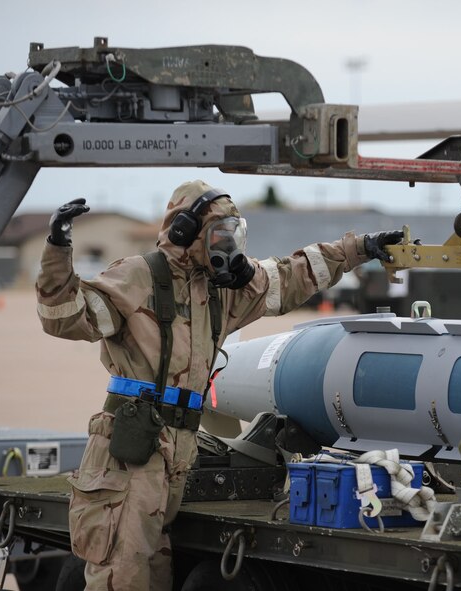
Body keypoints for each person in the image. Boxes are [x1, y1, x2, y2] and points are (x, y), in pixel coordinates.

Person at [35, 179, 403, 590]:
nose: (227, 246)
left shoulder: (220, 292)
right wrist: (57, 248)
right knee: (122, 575)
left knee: (153, 574)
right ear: (183, 230)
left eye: (233, 235)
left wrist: (360, 248)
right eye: (218, 234)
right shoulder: (137, 276)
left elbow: (292, 274)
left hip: (177, 448)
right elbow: (65, 317)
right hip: (130, 452)